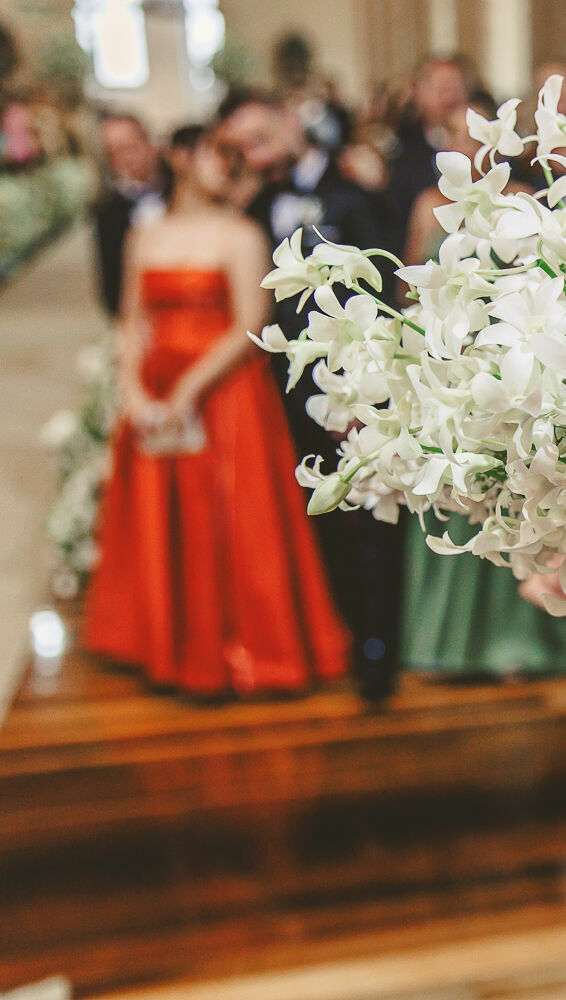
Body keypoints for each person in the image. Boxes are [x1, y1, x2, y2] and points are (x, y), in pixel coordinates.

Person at [85, 125, 349, 696]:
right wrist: (133, 388)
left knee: (233, 520)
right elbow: (132, 319)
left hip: (225, 392)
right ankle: (167, 644)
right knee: (164, 518)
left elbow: (251, 323)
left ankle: (246, 649)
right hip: (156, 387)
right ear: (181, 157)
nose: (228, 166)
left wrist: (188, 390)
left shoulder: (241, 233)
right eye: (218, 154)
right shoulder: (146, 235)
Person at [218, 88, 404, 703]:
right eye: (241, 147)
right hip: (280, 387)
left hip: (348, 382)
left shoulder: (351, 189)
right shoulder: (257, 202)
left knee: (368, 519)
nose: (253, 153)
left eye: (260, 138)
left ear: (288, 123)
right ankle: (338, 634)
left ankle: (377, 652)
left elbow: (382, 293)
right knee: (315, 517)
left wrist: (359, 389)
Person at [398, 103, 566, 682]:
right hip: (447, 363)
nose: (464, 143)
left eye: (475, 132)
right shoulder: (427, 205)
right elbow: (414, 282)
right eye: (455, 132)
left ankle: (518, 640)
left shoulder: (528, 201)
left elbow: (547, 286)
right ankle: (447, 640)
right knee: (455, 489)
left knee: (509, 491)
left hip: (507, 362)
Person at [386, 55, 474, 251]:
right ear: (420, 94)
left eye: (456, 88)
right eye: (442, 89)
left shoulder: (487, 149)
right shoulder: (402, 153)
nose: (450, 98)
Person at [93, 113, 164, 318]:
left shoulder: (184, 192)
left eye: (131, 146)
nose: (126, 157)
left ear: (149, 142)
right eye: (114, 153)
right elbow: (111, 283)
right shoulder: (108, 211)